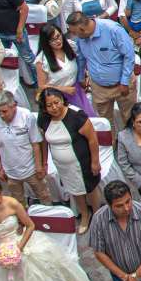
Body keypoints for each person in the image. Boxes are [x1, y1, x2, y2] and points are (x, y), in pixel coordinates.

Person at [37, 88, 102, 233]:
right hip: (62, 165)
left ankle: (98, 215)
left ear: (62, 100)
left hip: (82, 161)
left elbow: (92, 139)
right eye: (49, 105)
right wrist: (45, 162)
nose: (54, 107)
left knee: (90, 188)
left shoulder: (76, 116)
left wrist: (95, 161)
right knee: (75, 189)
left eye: (56, 102)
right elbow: (44, 141)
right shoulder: (43, 118)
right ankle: (85, 215)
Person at [67, 13, 137, 132]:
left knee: (130, 118)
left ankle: (130, 145)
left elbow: (129, 56)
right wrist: (81, 78)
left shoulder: (113, 30)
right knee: (104, 123)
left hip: (122, 84)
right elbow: (81, 58)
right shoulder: (80, 38)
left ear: (82, 29)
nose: (73, 36)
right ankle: (111, 146)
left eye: (74, 32)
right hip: (99, 87)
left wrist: (124, 82)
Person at [38, 22, 99, 116]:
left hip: (76, 92)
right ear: (46, 42)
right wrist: (63, 89)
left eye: (58, 36)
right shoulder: (42, 60)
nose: (58, 41)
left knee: (88, 118)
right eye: (52, 40)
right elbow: (42, 86)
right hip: (57, 98)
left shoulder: (71, 46)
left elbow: (82, 62)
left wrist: (84, 76)